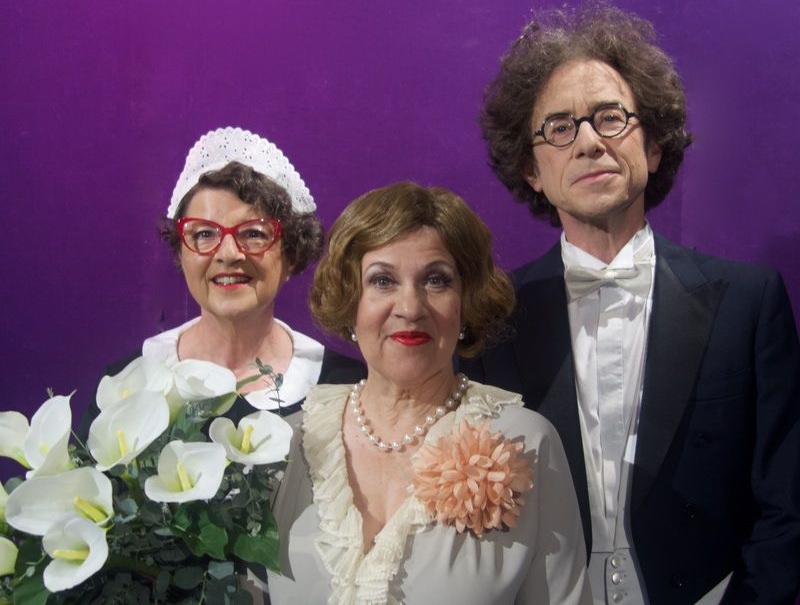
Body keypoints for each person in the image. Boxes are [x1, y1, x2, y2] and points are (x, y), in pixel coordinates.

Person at [461, 1, 800, 605]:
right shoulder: (492, 318)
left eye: (610, 118)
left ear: (654, 146)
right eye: (559, 128)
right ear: (532, 169)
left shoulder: (750, 304)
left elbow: (788, 504)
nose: (589, 142)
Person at [266, 182, 591, 604]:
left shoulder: (525, 443)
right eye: (383, 280)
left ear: (466, 302)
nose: (411, 307)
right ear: (350, 301)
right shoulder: (288, 445)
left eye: (436, 280)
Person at [95, 126, 365, 421]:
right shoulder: (128, 386)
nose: (228, 253)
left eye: (254, 233)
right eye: (204, 233)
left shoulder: (346, 389)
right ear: (181, 253)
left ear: (291, 254)